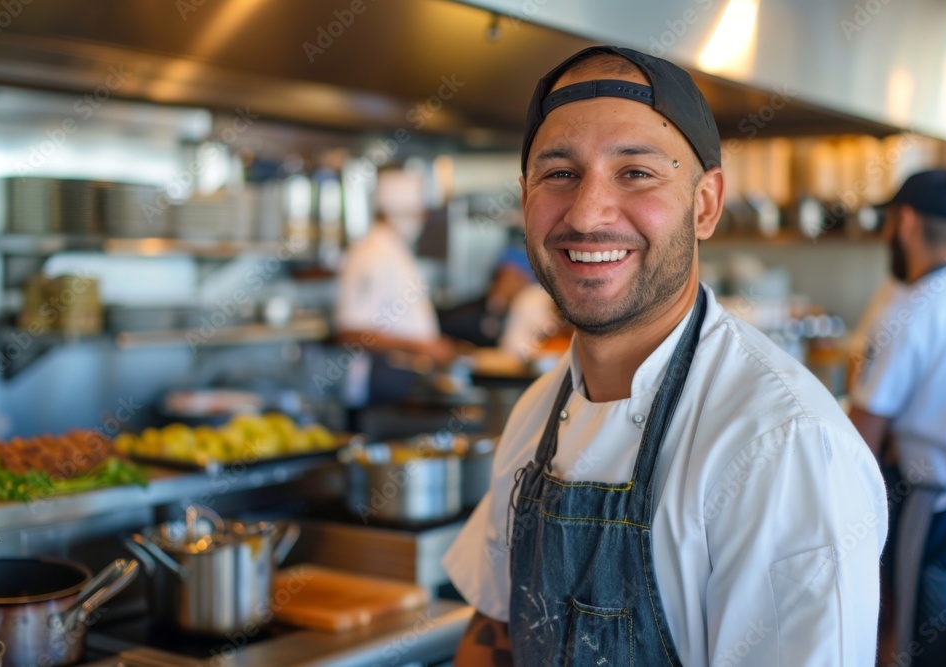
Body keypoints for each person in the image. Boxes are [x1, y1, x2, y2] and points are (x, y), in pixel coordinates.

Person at [442, 45, 888, 665]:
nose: (588, 213)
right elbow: (493, 634)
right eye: (560, 173)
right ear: (524, 198)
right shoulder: (535, 414)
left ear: (704, 205)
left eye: (636, 173)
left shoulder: (784, 448)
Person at [849, 169, 946, 667]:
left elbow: (860, 442)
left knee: (914, 650)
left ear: (906, 222)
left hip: (936, 513)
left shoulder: (913, 309)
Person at [333, 168, 456, 408]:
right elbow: (350, 332)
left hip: (405, 380)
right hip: (380, 383)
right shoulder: (371, 254)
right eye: (416, 214)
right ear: (398, 214)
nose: (421, 221)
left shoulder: (395, 249)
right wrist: (420, 346)